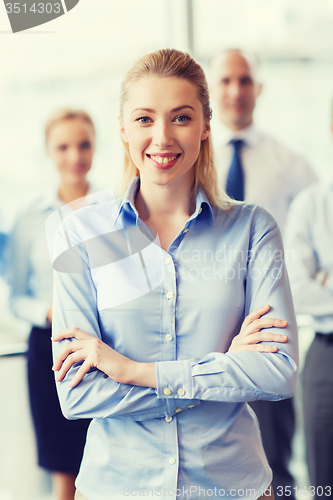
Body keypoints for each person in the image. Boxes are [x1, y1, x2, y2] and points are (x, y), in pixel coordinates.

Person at [51, 49, 298, 500]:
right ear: (123, 130)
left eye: (180, 117)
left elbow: (276, 372)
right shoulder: (81, 234)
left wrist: (132, 371)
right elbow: (78, 396)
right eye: (144, 119)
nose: (162, 137)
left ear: (206, 126)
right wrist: (222, 371)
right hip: (116, 487)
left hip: (233, 487)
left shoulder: (252, 230)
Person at [209, 48, 317, 498]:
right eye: (227, 81)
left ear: (259, 87)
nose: (236, 91)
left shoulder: (290, 165)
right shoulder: (186, 162)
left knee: (276, 467)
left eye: (246, 80)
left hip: (268, 332)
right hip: (208, 329)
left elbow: (322, 229)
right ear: (213, 91)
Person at [7, 109, 98, 500]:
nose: (74, 155)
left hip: (103, 347)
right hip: (51, 352)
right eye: (63, 146)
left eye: (83, 144)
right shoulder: (28, 219)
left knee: (108, 464)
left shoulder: (115, 211)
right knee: (64, 474)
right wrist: (47, 310)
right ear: (49, 151)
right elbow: (15, 297)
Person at [285, 179, 333, 497]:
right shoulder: (312, 203)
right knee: (324, 478)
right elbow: (296, 291)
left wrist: (325, 281)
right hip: (327, 350)